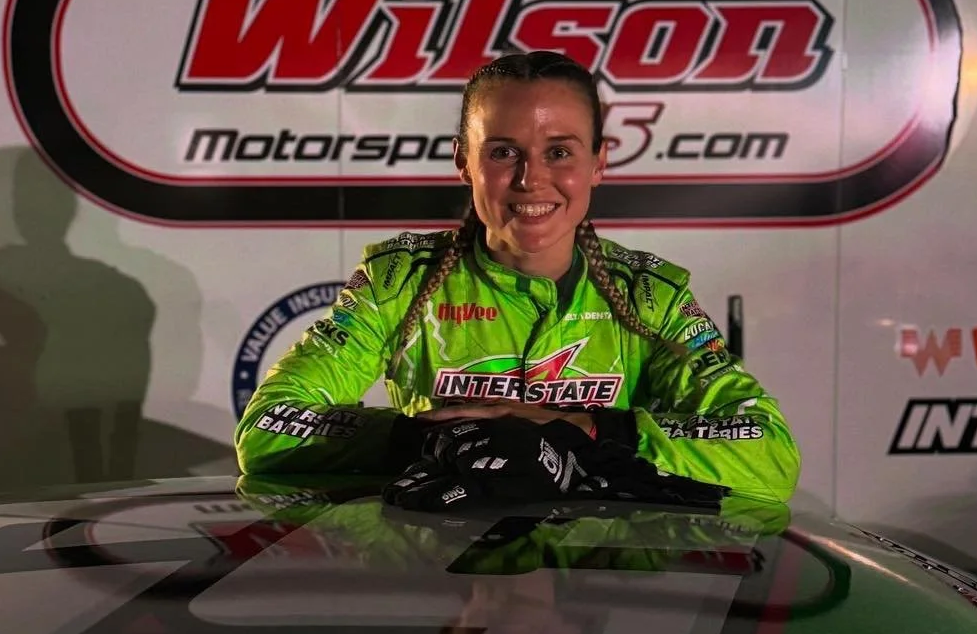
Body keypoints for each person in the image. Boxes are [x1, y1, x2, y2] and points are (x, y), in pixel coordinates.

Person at [235, 51, 800, 503]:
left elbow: (770, 454)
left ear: (599, 162)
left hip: (603, 582)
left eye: (560, 152)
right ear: (463, 161)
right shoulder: (400, 282)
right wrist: (426, 437)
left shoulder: (649, 297)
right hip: (436, 574)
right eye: (504, 151)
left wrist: (588, 431)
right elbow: (268, 427)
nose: (532, 180)